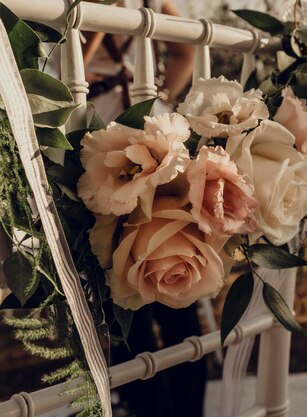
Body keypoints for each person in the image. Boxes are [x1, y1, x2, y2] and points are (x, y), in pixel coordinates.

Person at [81, 2, 205, 417]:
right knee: (124, 294)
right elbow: (64, 67)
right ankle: (143, 407)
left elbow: (185, 45)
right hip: (100, 142)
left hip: (151, 138)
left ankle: (187, 407)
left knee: (174, 277)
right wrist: (101, 17)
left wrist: (162, 94)